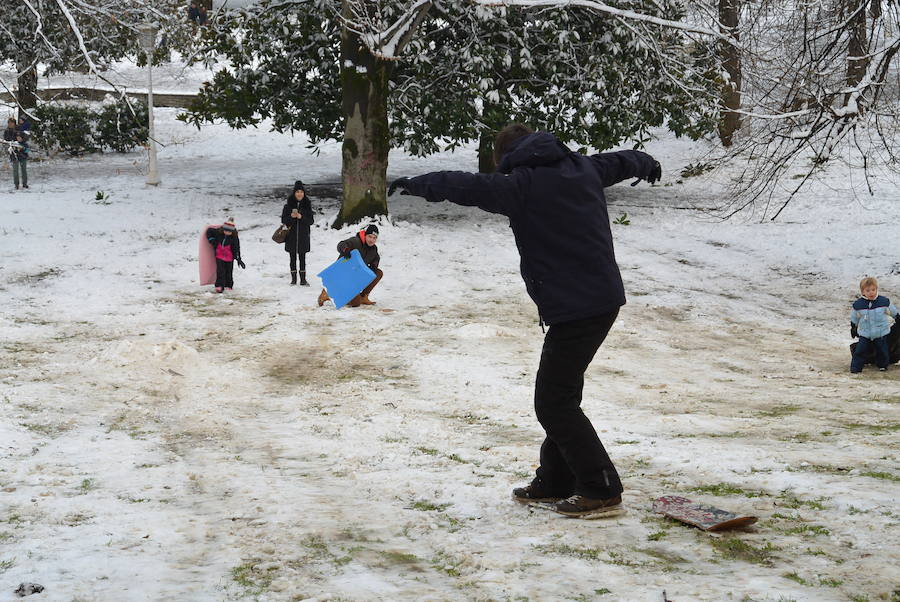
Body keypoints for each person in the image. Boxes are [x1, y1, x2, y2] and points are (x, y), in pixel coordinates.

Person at [388, 123, 661, 518]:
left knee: (553, 403)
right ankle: (555, 479)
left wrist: (414, 184)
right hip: (598, 299)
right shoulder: (584, 167)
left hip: (578, 306)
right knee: (561, 397)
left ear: (508, 156)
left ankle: (600, 488)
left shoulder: (521, 185)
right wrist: (647, 162)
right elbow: (622, 160)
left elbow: (462, 185)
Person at [317, 224, 382, 307]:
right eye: (369, 236)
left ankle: (363, 297)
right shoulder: (356, 242)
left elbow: (376, 257)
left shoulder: (373, 249)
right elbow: (341, 244)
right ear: (365, 235)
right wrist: (345, 249)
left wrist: (375, 264)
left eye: (374, 238)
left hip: (355, 277)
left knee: (378, 273)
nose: (371, 240)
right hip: (342, 274)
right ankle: (327, 294)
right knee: (356, 303)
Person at [850, 276, 898, 373]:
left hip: (880, 332)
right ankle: (856, 367)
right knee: (860, 350)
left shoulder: (883, 302)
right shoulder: (858, 305)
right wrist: (853, 326)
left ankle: (883, 365)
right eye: (868, 290)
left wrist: (897, 317)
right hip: (865, 333)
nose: (871, 292)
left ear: (876, 289)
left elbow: (893, 311)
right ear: (863, 292)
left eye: (873, 289)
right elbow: (855, 316)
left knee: (882, 350)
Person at [280, 180, 314, 285]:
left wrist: (301, 217)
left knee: (302, 258)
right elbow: (284, 220)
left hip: (303, 236)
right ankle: (293, 279)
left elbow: (311, 221)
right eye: (297, 192)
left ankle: (303, 279)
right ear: (294, 193)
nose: (299, 194)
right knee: (292, 258)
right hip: (291, 236)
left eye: (301, 192)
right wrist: (291, 217)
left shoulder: (307, 206)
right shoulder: (288, 206)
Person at [205, 218, 245, 293]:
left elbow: (236, 247)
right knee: (220, 271)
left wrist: (238, 258)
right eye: (226, 230)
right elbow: (209, 230)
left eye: (229, 231)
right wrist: (211, 240)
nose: (227, 232)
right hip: (219, 256)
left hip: (229, 258)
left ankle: (228, 285)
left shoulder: (234, 238)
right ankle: (219, 286)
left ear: (232, 231)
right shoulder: (218, 233)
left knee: (229, 272)